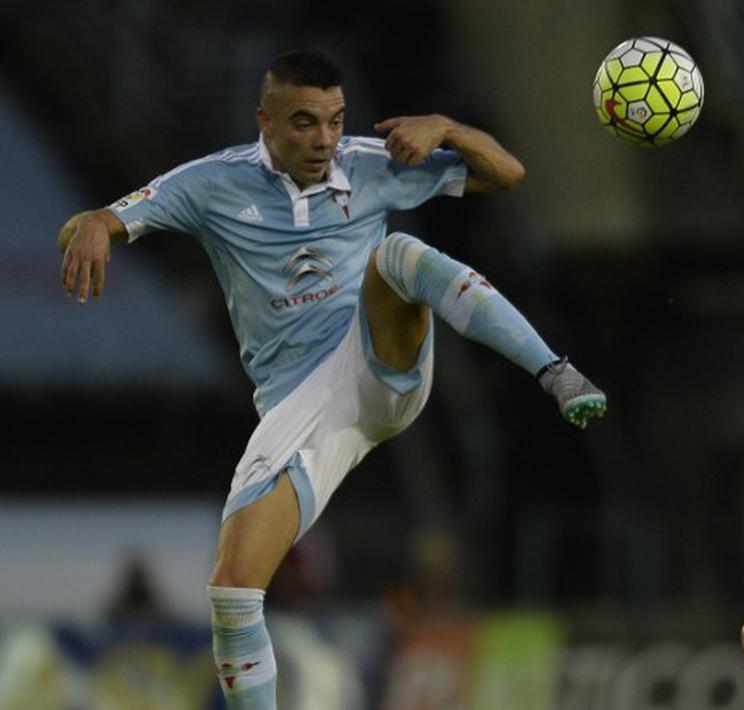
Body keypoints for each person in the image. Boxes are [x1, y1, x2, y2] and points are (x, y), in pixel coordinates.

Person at [57, 48, 606, 709]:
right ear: (265, 122)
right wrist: (89, 223)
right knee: (233, 590)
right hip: (301, 404)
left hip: (379, 357)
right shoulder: (210, 184)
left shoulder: (372, 167)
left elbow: (507, 173)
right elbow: (99, 223)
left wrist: (448, 127)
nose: (324, 141)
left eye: (335, 121)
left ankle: (555, 370)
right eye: (304, 123)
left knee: (397, 254)